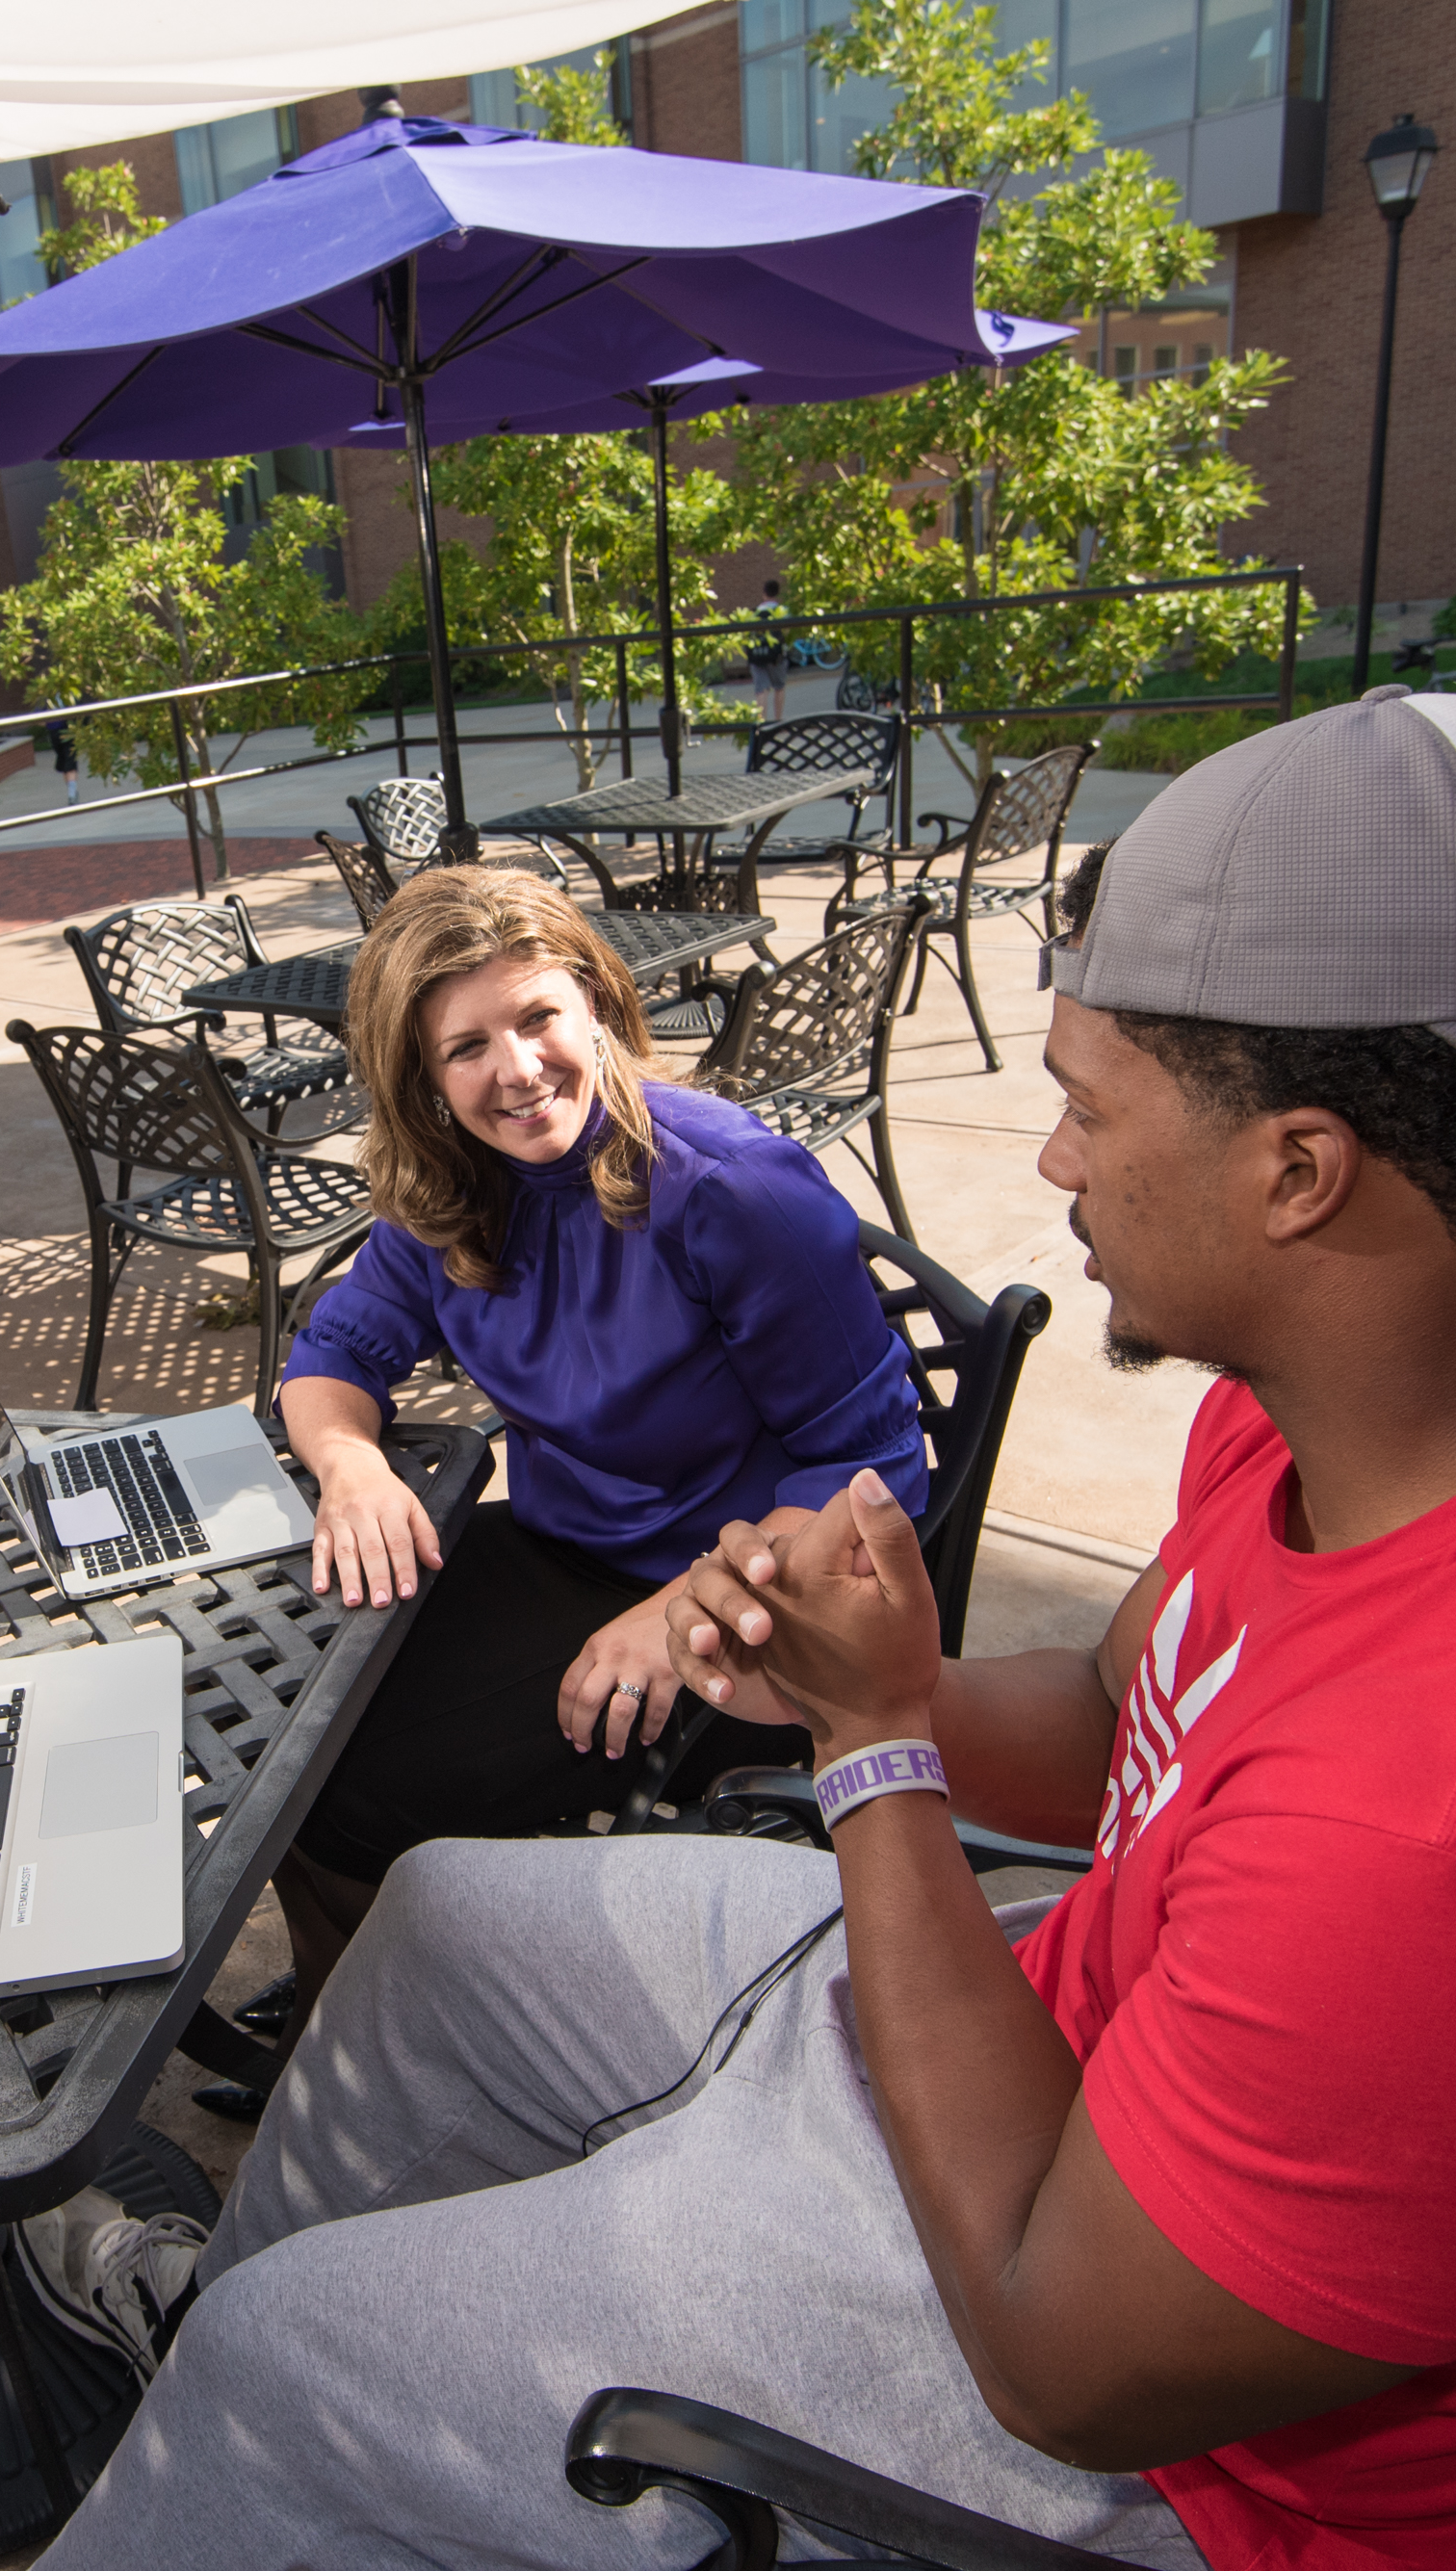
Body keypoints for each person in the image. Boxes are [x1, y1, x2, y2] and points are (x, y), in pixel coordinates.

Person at [17, 690, 1456, 2571]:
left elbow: (1054, 2348)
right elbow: (1118, 1721)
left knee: (303, 2354)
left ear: (1296, 1173)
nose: (1049, 1165)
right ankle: (279, 2438)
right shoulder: (1337, 1406)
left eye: (1087, 1106)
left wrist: (870, 1756)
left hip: (1118, 2418)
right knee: (428, 1912)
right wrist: (887, 1686)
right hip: (1075, 2022)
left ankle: (279, 2402)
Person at [250, 865, 931, 2075]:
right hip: (565, 1547)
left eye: (537, 1018)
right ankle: (347, 1994)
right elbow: (334, 1355)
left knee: (352, 1796)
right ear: (422, 1081)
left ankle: (384, 2050)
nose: (514, 1070)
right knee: (282, 1731)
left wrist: (678, 1614)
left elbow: (873, 1471)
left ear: (599, 1009)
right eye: (466, 1046)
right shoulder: (450, 1189)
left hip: (744, 1605)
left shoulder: (729, 1188)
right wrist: (349, 1461)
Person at [748, 573, 794, 720]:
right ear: (777, 593)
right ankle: (778, 720)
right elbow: (788, 632)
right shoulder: (782, 612)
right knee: (779, 687)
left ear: (764, 593)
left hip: (757, 655)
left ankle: (761, 724)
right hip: (777, 655)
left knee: (761, 690)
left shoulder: (754, 613)